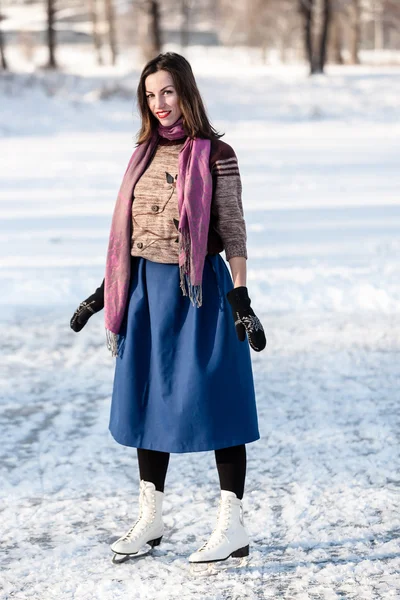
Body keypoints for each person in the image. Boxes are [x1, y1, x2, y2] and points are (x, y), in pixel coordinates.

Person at [70, 52, 266, 564]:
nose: (159, 104)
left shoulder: (216, 154)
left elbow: (235, 236)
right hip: (144, 295)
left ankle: (233, 525)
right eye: (151, 94)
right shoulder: (142, 152)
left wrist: (240, 297)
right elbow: (130, 235)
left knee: (220, 403)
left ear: (186, 93)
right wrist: (103, 292)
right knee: (147, 403)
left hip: (199, 292)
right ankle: (151, 518)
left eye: (168, 92)